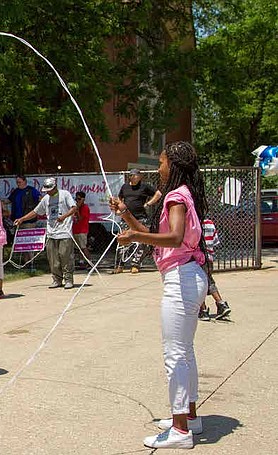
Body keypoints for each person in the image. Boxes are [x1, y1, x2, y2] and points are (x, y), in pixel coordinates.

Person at [111, 141, 208, 449]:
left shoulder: (177, 197)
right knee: (185, 352)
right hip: (187, 277)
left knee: (175, 355)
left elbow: (175, 238)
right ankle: (189, 417)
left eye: (163, 162)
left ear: (175, 166)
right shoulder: (182, 195)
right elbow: (158, 237)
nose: (159, 167)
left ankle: (180, 431)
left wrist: (135, 236)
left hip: (182, 280)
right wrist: (126, 214)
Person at [15, 177, 77, 289]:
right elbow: (36, 211)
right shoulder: (46, 199)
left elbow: (74, 208)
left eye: (50, 189)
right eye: (46, 190)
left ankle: (68, 279)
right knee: (53, 258)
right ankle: (56, 279)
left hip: (64, 232)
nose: (48, 191)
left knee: (65, 256)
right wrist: (22, 219)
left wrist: (64, 216)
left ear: (55, 187)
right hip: (51, 233)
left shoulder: (65, 194)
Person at [113, 169, 161, 274]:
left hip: (140, 218)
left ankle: (135, 264)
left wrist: (148, 204)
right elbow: (120, 197)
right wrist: (121, 206)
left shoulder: (144, 187)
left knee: (142, 242)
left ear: (139, 176)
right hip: (126, 218)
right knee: (122, 240)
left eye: (135, 175)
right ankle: (119, 265)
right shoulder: (125, 187)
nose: (133, 177)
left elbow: (158, 194)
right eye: (131, 175)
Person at [199, 218, 231, 321]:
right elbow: (215, 241)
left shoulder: (194, 222)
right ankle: (221, 304)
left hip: (198, 258)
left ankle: (203, 310)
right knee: (209, 281)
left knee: (199, 283)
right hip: (209, 257)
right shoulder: (210, 223)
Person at [72, 191, 91, 268]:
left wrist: (77, 210)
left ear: (83, 199)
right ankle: (81, 261)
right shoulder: (76, 207)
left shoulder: (85, 208)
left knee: (83, 247)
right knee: (79, 248)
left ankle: (89, 262)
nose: (77, 201)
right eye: (76, 199)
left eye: (79, 199)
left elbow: (80, 218)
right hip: (75, 230)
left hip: (82, 230)